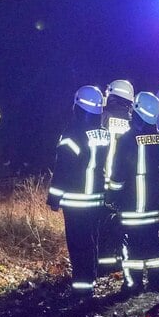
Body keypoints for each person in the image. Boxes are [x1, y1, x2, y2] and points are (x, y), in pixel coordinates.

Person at [46, 85, 110, 298]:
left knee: (78, 243)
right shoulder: (104, 133)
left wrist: (54, 197)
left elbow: (63, 169)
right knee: (91, 241)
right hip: (97, 199)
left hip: (76, 201)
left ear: (78, 107)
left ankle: (82, 288)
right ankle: (90, 280)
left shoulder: (72, 134)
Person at [108, 91, 159, 294]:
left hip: (131, 206)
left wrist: (112, 195)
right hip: (152, 205)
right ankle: (157, 281)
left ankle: (133, 284)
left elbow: (118, 173)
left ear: (138, 113)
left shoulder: (126, 139)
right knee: (152, 242)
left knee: (130, 245)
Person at [98, 79, 134, 275]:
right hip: (125, 183)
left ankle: (103, 266)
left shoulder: (102, 118)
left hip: (102, 180)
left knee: (102, 224)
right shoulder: (132, 121)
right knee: (122, 225)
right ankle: (120, 261)